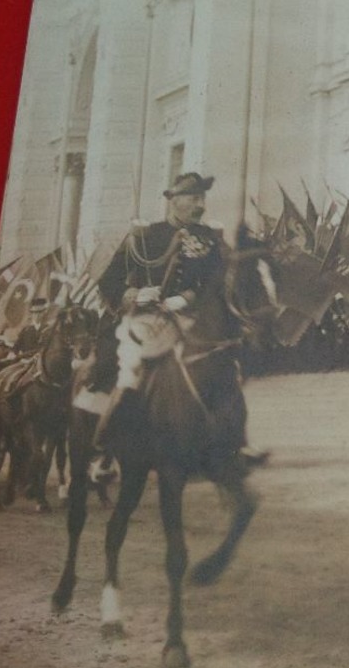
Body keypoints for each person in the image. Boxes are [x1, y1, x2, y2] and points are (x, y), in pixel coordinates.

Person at [93, 172, 265, 462]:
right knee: (131, 366)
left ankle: (235, 441)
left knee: (225, 365)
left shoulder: (210, 239)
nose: (201, 205)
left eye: (203, 198)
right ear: (174, 201)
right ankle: (110, 436)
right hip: (148, 319)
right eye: (194, 198)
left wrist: (188, 297)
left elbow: (222, 279)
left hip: (191, 318)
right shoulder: (146, 236)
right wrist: (135, 294)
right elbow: (109, 281)